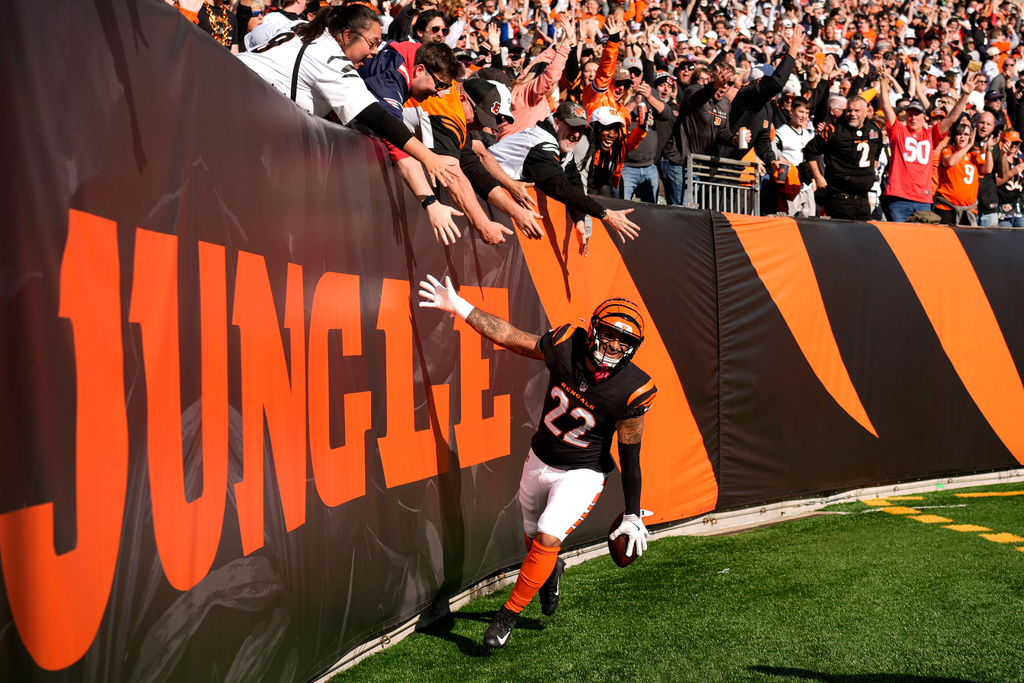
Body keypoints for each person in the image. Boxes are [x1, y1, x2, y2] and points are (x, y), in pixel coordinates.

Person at [416, 277, 656, 650]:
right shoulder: (566, 346)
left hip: (583, 472)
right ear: (594, 330)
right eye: (609, 334)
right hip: (540, 457)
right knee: (533, 537)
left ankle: (508, 615)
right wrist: (459, 306)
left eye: (625, 341)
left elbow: (630, 454)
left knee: (547, 533)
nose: (614, 345)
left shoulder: (632, 389)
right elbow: (510, 337)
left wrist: (633, 512)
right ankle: (551, 570)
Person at [237, 5, 458, 189]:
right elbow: (377, 117)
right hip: (242, 105)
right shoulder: (331, 58)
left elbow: (252, 36)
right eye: (371, 43)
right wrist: (428, 157)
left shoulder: (299, 26)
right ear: (347, 35)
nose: (374, 52)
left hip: (233, 81)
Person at [486, 101, 641, 254]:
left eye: (581, 129)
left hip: (495, 197)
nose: (576, 135)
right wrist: (605, 213)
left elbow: (575, 183)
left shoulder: (562, 145)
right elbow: (559, 186)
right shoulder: (542, 142)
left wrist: (579, 219)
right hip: (482, 192)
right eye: (572, 127)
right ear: (557, 123)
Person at [878, 69, 979, 223]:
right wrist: (883, 80)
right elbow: (886, 107)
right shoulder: (898, 131)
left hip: (923, 199)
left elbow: (951, 119)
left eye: (917, 114)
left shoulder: (930, 134)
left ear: (924, 117)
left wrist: (965, 95)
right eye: (910, 113)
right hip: (899, 197)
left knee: (921, 244)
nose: (912, 117)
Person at [804, 95, 884, 221]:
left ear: (866, 112)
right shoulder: (834, 130)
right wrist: (818, 176)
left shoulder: (874, 130)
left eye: (856, 111)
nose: (852, 114)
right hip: (840, 198)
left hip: (863, 198)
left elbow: (876, 155)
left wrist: (865, 176)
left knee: (862, 238)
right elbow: (809, 151)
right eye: (849, 110)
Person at [933, 120, 994, 226]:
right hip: (946, 207)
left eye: (966, 134)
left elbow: (987, 169)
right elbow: (950, 162)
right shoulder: (948, 150)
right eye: (959, 134)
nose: (962, 137)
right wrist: (969, 145)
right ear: (954, 137)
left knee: (967, 242)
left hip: (968, 210)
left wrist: (989, 149)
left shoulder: (974, 155)